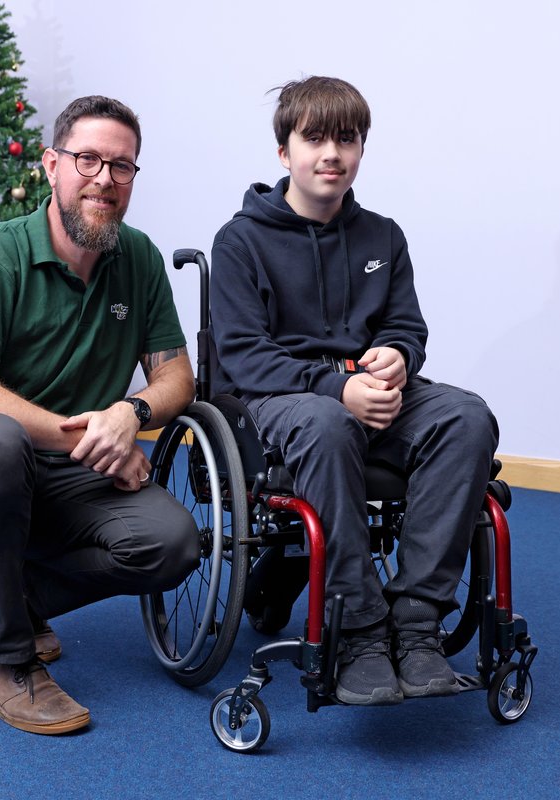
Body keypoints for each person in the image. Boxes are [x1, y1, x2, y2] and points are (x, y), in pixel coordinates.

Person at [0, 95, 200, 734]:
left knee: (172, 544)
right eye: (87, 159)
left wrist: (130, 412)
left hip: (65, 473)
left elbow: (176, 374)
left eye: (122, 167)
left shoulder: (138, 259)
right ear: (51, 166)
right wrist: (95, 437)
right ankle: (4, 664)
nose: (104, 179)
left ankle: (13, 594)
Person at [209, 77, 498, 706]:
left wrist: (398, 355)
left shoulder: (383, 236)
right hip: (284, 396)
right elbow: (243, 356)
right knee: (327, 424)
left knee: (468, 418)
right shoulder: (241, 241)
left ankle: (417, 620)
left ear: (361, 149)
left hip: (372, 391)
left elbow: (405, 326)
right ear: (284, 152)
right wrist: (336, 389)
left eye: (347, 138)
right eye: (313, 138)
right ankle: (362, 628)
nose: (331, 152)